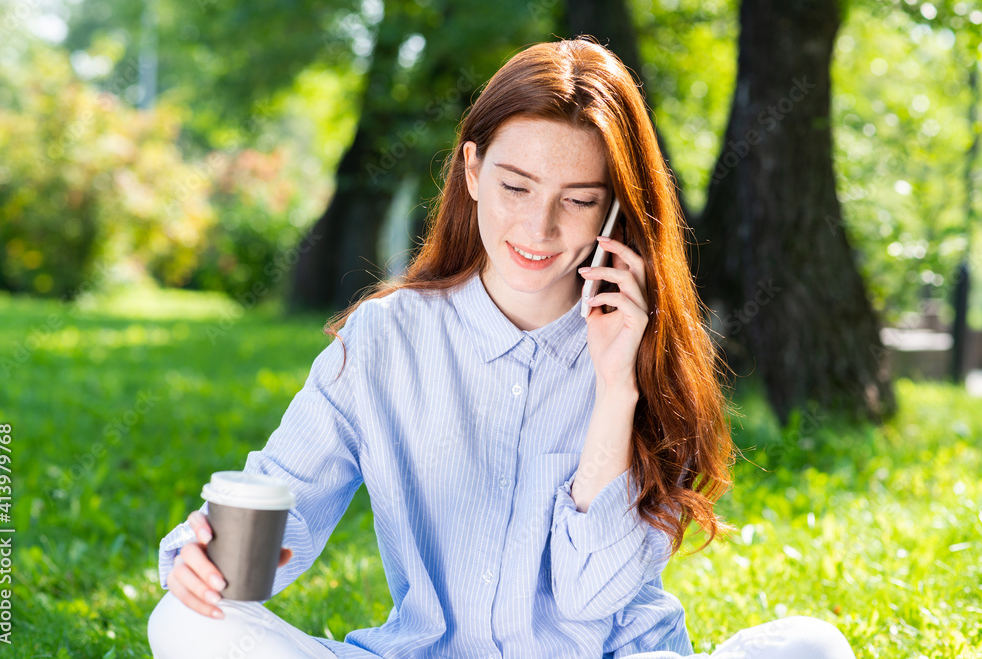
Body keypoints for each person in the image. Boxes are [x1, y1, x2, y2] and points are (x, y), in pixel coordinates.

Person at [147, 37, 857, 659]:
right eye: (516, 185)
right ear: (473, 170)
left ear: (614, 207)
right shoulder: (385, 338)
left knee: (813, 646)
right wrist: (201, 554)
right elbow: (285, 498)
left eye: (577, 199)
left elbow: (592, 598)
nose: (538, 227)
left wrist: (616, 387)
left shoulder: (642, 349)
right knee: (185, 622)